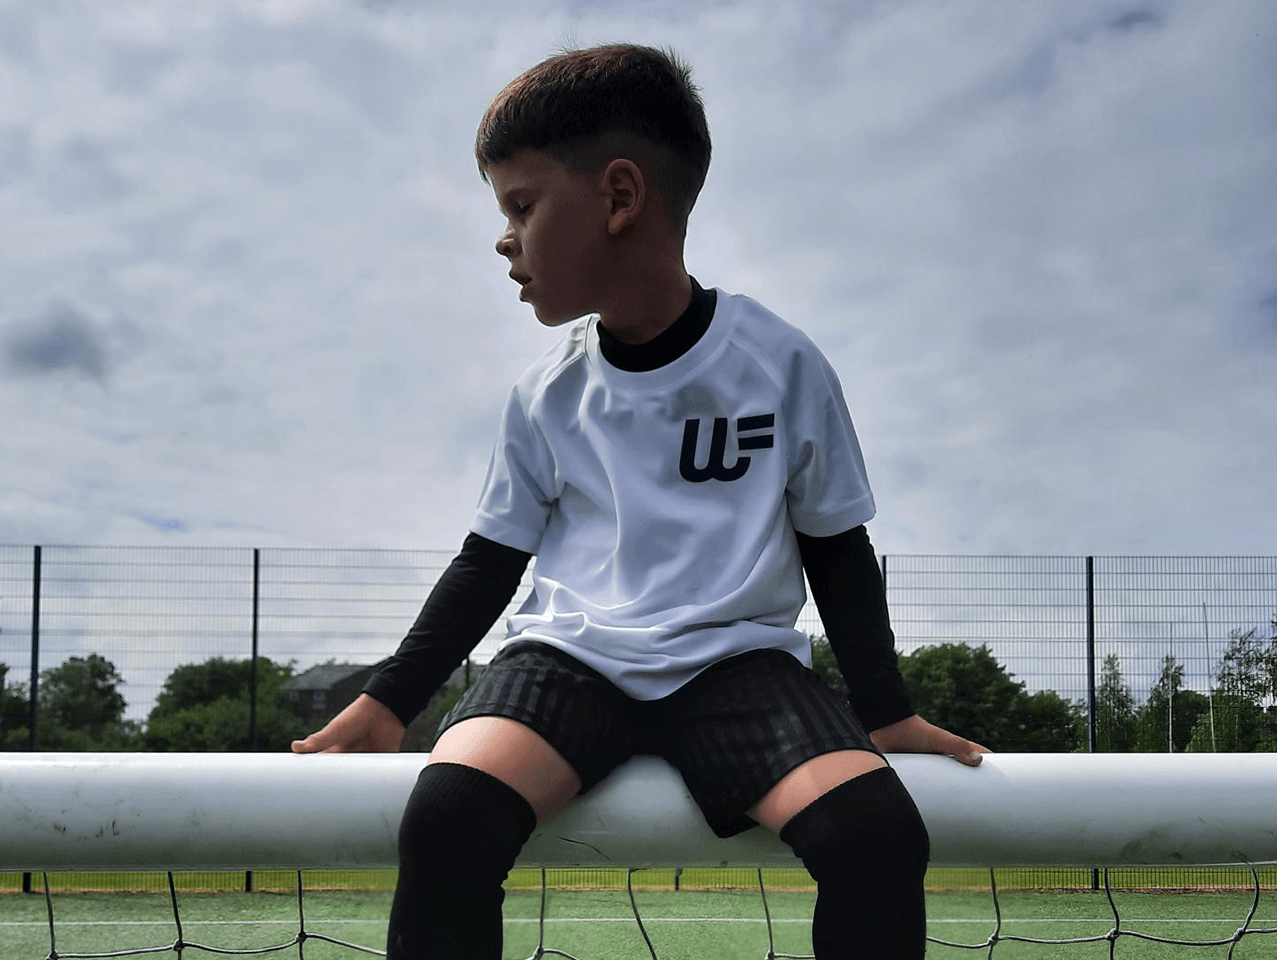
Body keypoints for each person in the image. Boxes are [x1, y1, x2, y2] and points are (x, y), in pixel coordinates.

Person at [293, 43, 987, 959]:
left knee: (876, 838)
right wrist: (388, 701)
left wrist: (885, 708)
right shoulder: (546, 393)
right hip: (568, 662)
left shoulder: (780, 362)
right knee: (450, 817)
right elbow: (489, 560)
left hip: (739, 670)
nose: (505, 238)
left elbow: (837, 545)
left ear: (620, 198)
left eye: (521, 206)